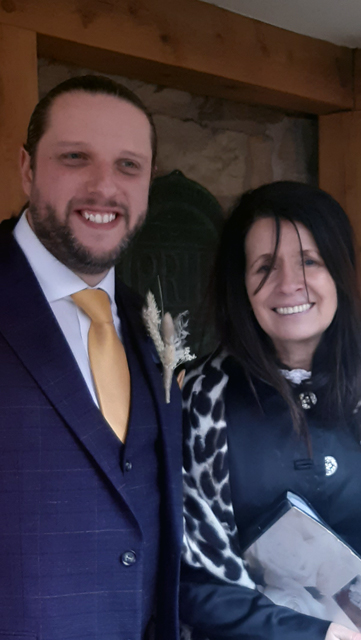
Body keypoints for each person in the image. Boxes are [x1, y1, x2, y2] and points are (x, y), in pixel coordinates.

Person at [179, 181, 361, 639]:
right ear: (241, 284)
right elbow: (193, 577)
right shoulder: (199, 400)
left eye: (309, 261)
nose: (289, 283)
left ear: (338, 271)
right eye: (265, 266)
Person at [0, 75, 183, 639]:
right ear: (29, 168)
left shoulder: (147, 323)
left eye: (129, 166)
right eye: (76, 157)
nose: (104, 187)